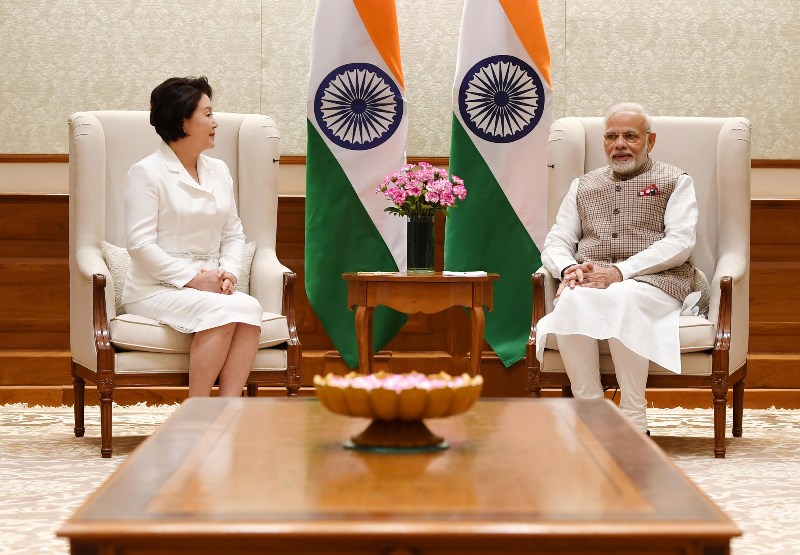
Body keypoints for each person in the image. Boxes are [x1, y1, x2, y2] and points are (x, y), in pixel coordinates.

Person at [535, 102, 699, 433]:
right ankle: (591, 413)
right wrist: (568, 269)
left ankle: (634, 418)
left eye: (630, 136)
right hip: (593, 281)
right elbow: (557, 240)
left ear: (650, 141)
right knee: (570, 297)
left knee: (621, 296)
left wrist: (620, 272)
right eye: (611, 136)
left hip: (657, 282)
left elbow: (680, 241)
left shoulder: (675, 180)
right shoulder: (583, 185)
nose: (620, 144)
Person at [121, 76, 262, 397]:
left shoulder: (219, 170)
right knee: (223, 311)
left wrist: (229, 272)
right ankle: (197, 409)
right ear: (182, 121)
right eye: (207, 114)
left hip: (211, 286)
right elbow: (140, 245)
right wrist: (194, 279)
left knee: (250, 307)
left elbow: (233, 234)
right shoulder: (146, 172)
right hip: (153, 289)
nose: (215, 122)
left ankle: (227, 410)